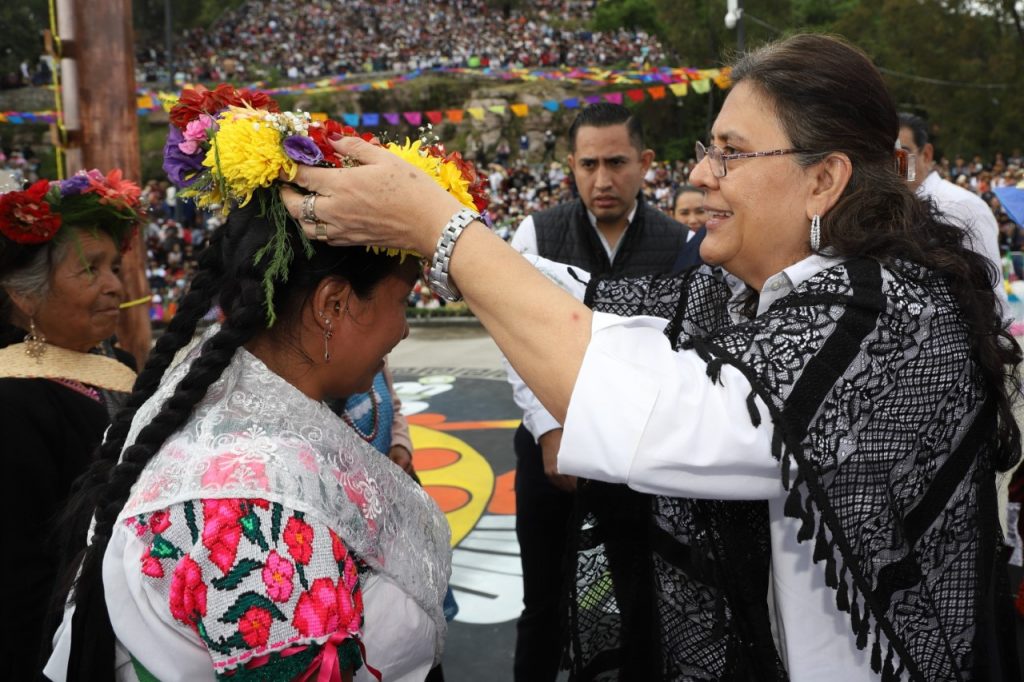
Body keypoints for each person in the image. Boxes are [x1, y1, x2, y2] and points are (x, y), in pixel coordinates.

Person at [282, 33, 1022, 680]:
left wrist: (438, 227)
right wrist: (419, 227)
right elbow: (592, 304)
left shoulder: (894, 314)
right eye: (708, 150)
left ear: (823, 179)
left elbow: (655, 408)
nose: (700, 175)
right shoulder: (742, 296)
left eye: (731, 153)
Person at [44, 86, 489, 681]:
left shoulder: (229, 410)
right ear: (333, 304)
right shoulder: (258, 504)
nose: (404, 328)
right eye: (402, 299)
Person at [506, 102, 686, 681]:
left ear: (646, 163)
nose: (602, 179)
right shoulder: (536, 232)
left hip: (640, 452)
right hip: (549, 447)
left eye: (617, 162)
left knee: (643, 599)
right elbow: (514, 335)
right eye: (589, 164)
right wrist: (550, 426)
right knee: (543, 601)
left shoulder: (681, 242)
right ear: (571, 165)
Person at [0, 169, 142, 679]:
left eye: (114, 267)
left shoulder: (118, 365)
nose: (114, 286)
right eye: (90, 270)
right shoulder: (13, 399)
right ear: (25, 296)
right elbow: (18, 575)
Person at [898, 112, 1010, 320]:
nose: (893, 164)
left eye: (901, 154)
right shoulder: (888, 209)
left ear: (926, 155)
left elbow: (993, 297)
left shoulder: (961, 206)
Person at [671, 184, 707, 271]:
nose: (692, 220)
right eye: (684, 213)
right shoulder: (661, 248)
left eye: (700, 211)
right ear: (672, 215)